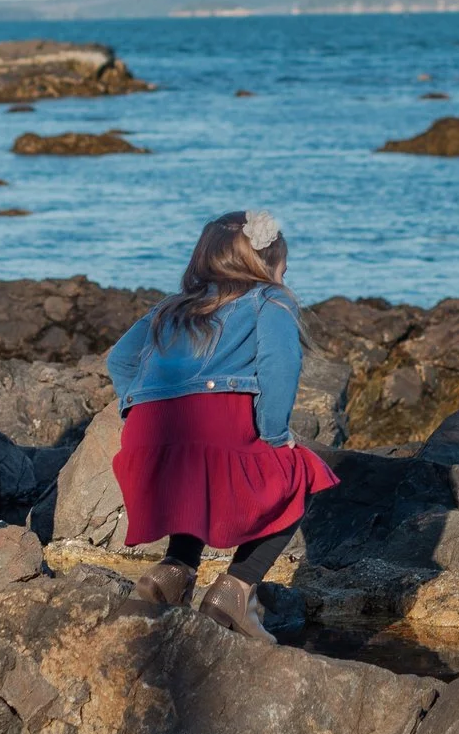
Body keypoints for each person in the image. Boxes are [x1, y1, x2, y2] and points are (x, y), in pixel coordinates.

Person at [105, 209, 338, 641]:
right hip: (215, 424)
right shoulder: (270, 300)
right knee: (302, 472)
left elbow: (119, 359)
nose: (286, 274)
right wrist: (275, 435)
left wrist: (136, 407)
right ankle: (237, 588)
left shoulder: (169, 307)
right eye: (284, 265)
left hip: (146, 437)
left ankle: (174, 570)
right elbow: (279, 366)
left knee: (198, 476)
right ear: (266, 264)